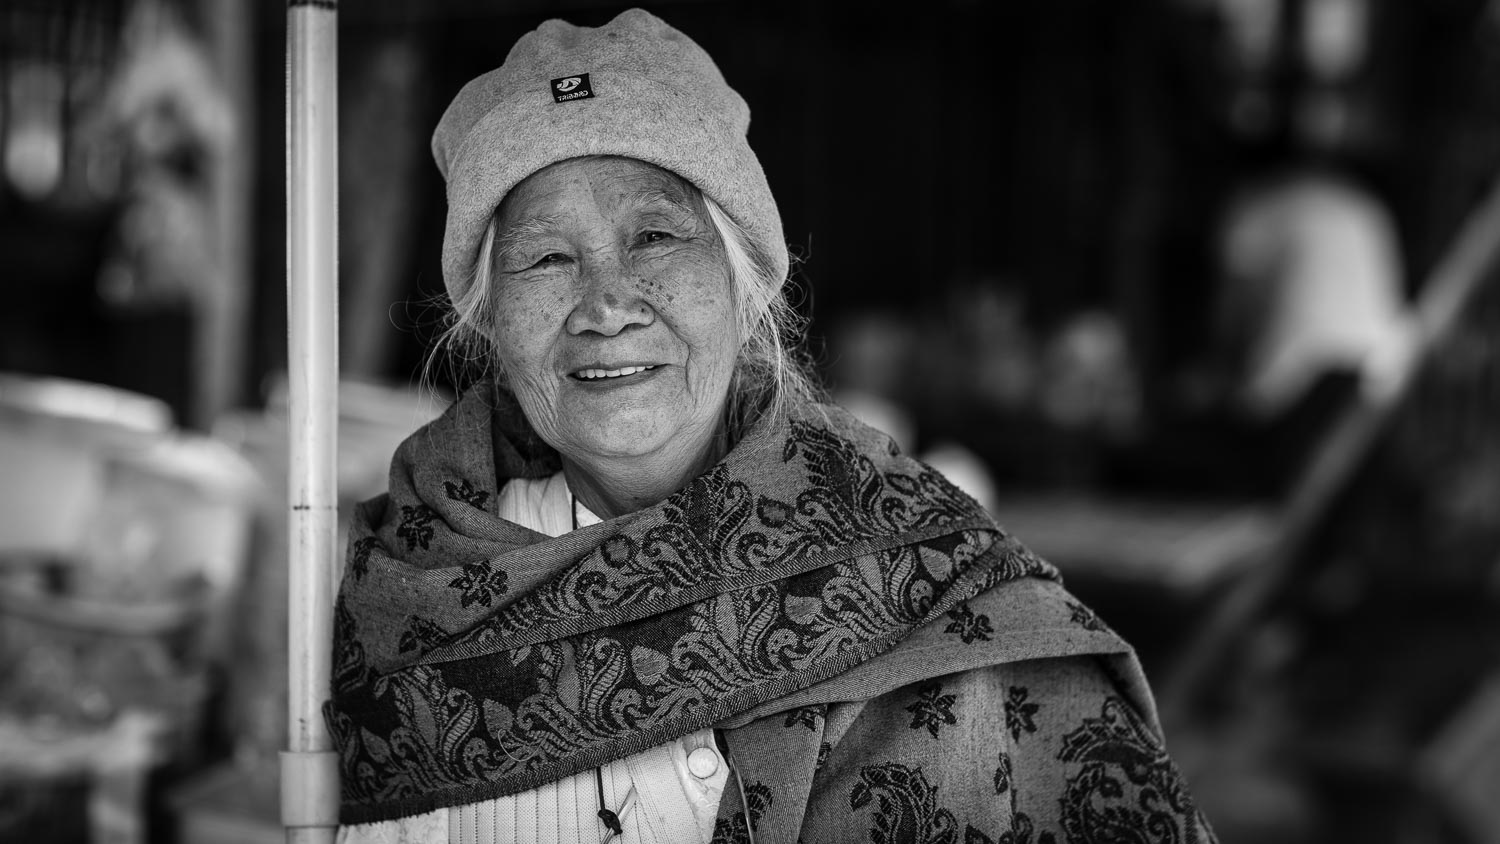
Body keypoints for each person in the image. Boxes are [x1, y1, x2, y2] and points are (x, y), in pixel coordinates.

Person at [327, 9, 1216, 843]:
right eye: (546, 258)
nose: (605, 306)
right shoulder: (406, 579)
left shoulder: (925, 567)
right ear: (488, 321)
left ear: (745, 283)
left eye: (655, 240)